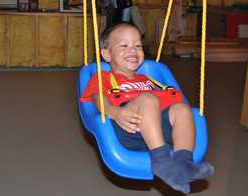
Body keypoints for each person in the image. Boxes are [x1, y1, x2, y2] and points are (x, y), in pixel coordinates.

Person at [80, 22, 214, 194]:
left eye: (138, 45)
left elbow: (169, 105)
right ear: (106, 54)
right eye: (124, 45)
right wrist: (114, 112)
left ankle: (183, 162)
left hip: (158, 129)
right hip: (127, 127)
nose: (133, 50)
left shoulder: (149, 80)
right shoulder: (103, 77)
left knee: (182, 109)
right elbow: (98, 97)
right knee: (148, 100)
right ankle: (162, 162)